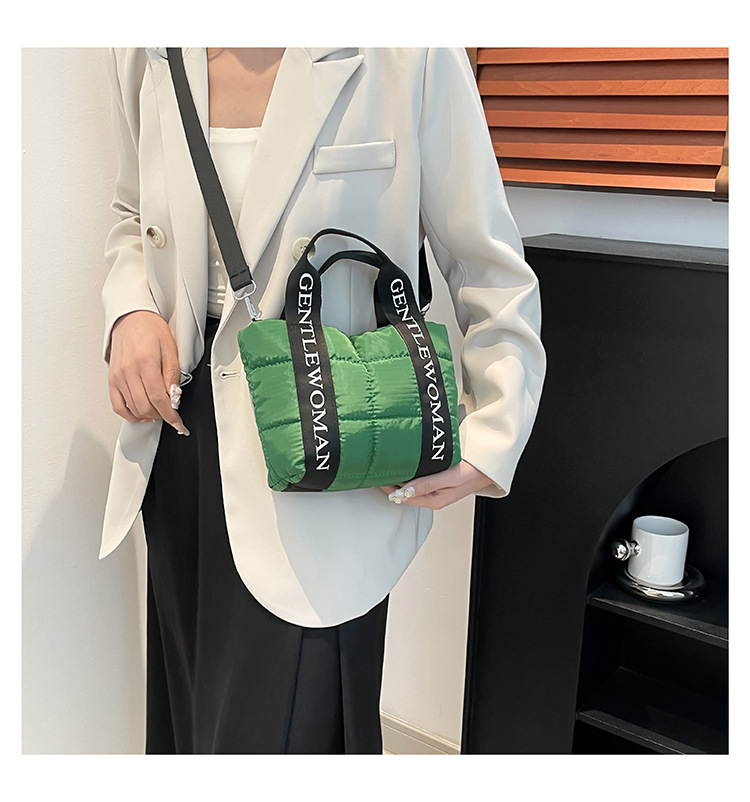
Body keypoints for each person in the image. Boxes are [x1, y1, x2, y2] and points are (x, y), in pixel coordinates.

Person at [101, 47, 546, 754]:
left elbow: (487, 261)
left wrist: (495, 431)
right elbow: (133, 210)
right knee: (190, 729)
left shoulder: (409, 48)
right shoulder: (147, 43)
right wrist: (130, 309)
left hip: (328, 445)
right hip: (180, 435)